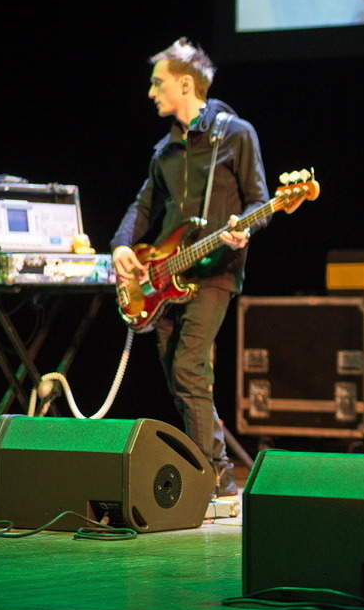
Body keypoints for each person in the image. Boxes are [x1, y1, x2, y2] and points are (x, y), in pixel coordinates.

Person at [111, 37, 270, 497]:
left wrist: (244, 229)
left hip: (216, 270)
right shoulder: (165, 149)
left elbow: (260, 201)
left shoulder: (236, 133)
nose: (151, 92)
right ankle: (217, 474)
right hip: (163, 274)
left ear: (185, 84)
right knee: (180, 376)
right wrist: (121, 246)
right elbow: (143, 206)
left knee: (189, 367)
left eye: (157, 83)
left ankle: (211, 478)